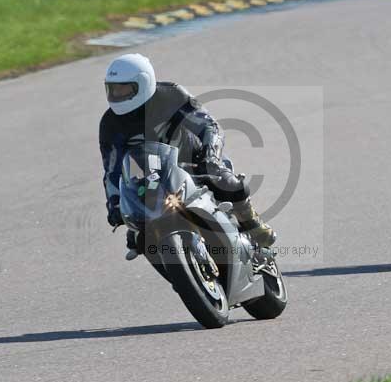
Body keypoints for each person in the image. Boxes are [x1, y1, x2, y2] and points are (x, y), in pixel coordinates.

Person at [99, 53, 276, 259]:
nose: (117, 94)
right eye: (112, 88)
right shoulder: (110, 124)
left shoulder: (171, 96)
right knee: (138, 236)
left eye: (124, 88)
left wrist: (211, 156)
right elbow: (112, 171)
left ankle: (249, 219)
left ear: (144, 83)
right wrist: (114, 203)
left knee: (230, 184)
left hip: (194, 162)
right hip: (152, 179)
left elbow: (209, 126)